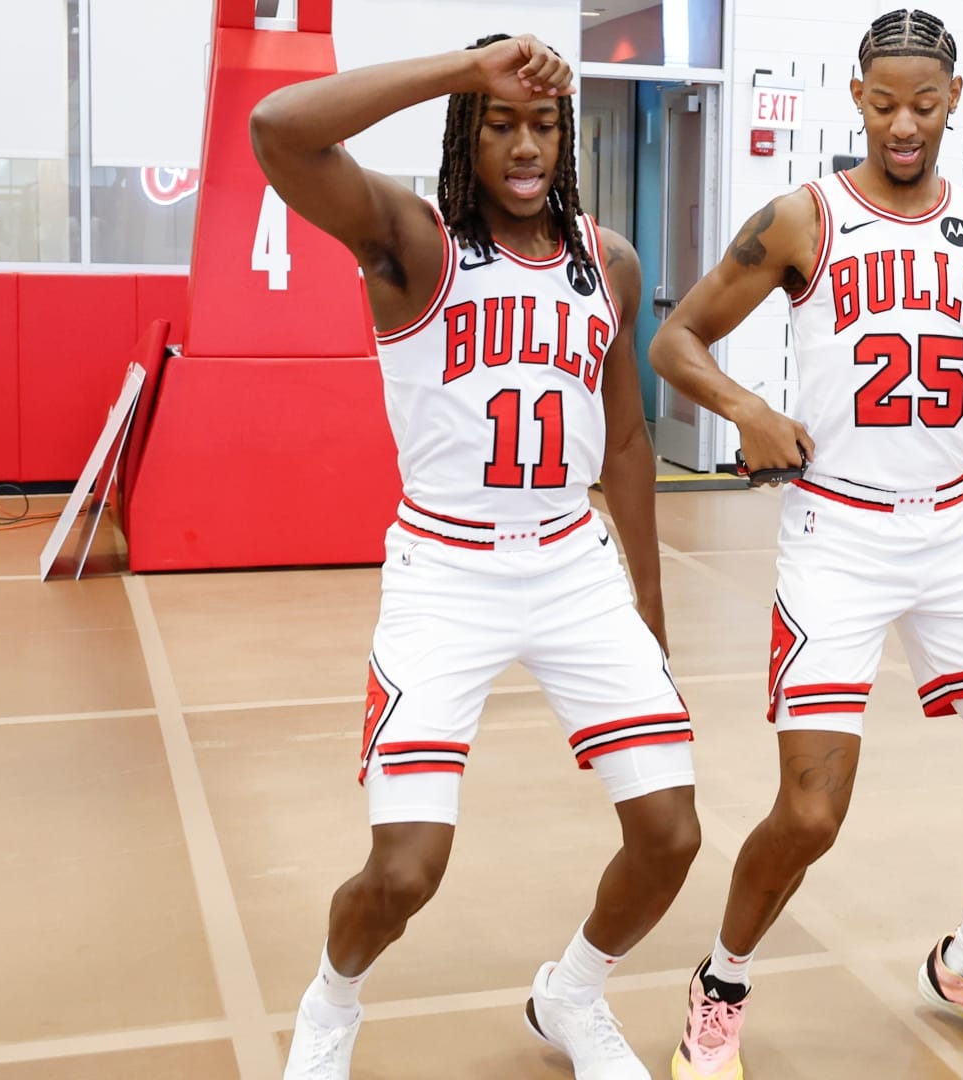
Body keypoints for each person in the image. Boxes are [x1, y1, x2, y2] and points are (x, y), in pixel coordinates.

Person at [648, 8, 963, 1075]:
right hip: (839, 535)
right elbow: (675, 338)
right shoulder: (803, 217)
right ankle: (721, 983)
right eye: (886, 103)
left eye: (927, 104)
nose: (906, 124)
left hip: (960, 536)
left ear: (957, 99)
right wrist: (744, 408)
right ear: (856, 98)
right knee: (813, 810)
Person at [251, 32, 702, 1080]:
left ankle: (571, 995)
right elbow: (279, 132)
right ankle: (333, 999)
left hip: (571, 562)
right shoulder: (414, 241)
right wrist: (464, 69)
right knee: (408, 869)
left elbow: (626, 442)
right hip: (447, 571)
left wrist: (650, 603)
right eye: (502, 123)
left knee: (671, 834)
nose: (526, 144)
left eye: (545, 123)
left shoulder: (609, 261)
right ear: (469, 133)